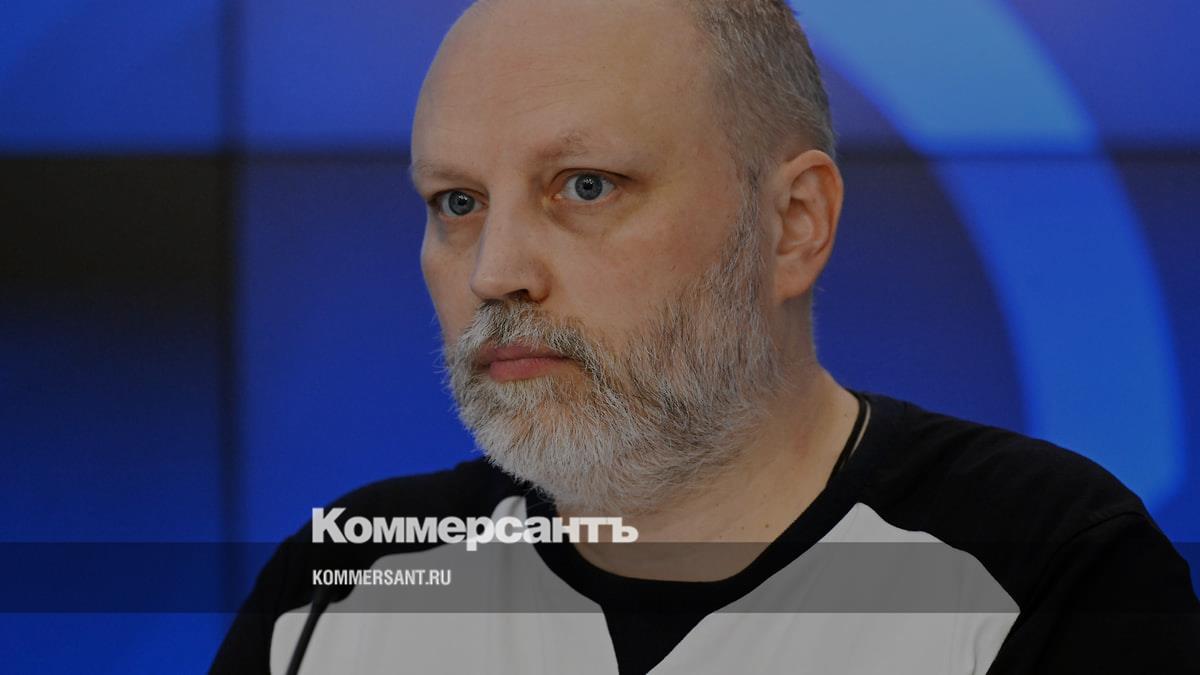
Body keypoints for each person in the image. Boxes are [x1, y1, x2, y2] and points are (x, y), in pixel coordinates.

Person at [212, 1, 1199, 672]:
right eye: (457, 202)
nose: (493, 271)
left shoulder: (1049, 569)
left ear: (792, 224)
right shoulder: (341, 586)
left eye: (585, 185)